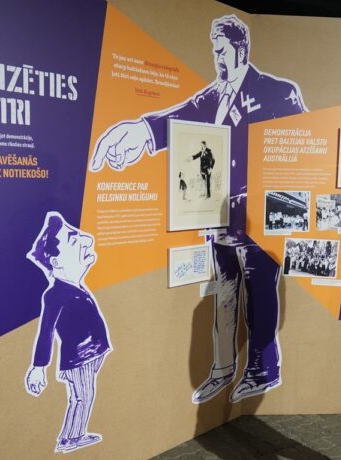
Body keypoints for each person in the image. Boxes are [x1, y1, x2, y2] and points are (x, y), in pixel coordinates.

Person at [88, 14, 307, 404]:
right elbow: (177, 116)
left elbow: (302, 152)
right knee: (225, 292)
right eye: (213, 50)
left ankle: (261, 368)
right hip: (219, 220)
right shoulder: (212, 97)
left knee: (259, 294)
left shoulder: (278, 92)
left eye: (222, 50)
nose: (217, 58)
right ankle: (222, 369)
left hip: (260, 223)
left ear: (240, 49)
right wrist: (140, 129)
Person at [24, 212, 113, 453]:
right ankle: (73, 437)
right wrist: (38, 367)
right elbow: (46, 333)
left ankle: (69, 436)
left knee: (81, 396)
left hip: (90, 354)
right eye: (74, 240)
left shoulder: (74, 288)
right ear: (56, 261)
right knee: (83, 397)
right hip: (80, 357)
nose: (87, 240)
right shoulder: (55, 295)